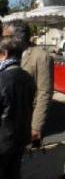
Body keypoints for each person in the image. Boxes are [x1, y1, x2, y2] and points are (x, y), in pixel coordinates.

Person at [2, 20, 53, 147]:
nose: (3, 39)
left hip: (28, 120)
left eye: (6, 36)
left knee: (28, 161)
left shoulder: (40, 56)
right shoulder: (9, 54)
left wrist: (36, 127)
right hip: (9, 120)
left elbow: (44, 93)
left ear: (18, 37)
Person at [0, 34, 36, 178]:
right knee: (14, 173)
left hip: (2, 142)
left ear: (6, 54)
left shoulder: (2, 79)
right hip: (20, 138)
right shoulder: (28, 78)